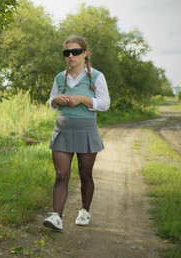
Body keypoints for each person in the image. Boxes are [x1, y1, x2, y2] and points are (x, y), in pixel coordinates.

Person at [43, 35, 110, 230]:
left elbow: (105, 104)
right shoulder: (59, 77)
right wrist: (57, 100)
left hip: (86, 130)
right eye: (67, 52)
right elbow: (51, 102)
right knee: (61, 174)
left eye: (75, 51)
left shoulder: (96, 76)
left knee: (85, 173)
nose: (71, 55)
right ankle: (56, 216)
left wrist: (82, 99)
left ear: (85, 53)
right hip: (62, 129)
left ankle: (84, 210)